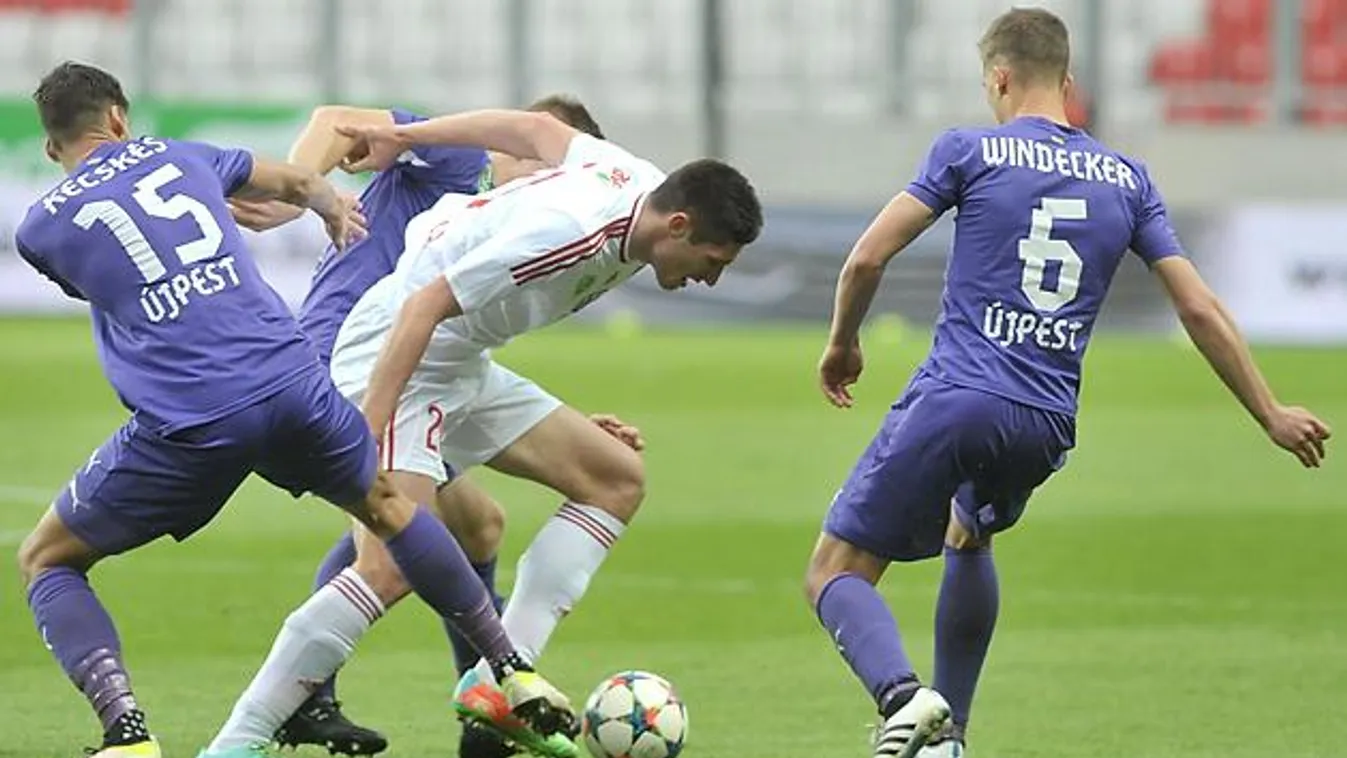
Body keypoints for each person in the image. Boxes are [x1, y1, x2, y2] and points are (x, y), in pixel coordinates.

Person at [805, 9, 1333, 758]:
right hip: (1045, 420)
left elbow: (866, 258)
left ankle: (903, 697)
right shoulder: (1128, 180)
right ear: (1068, 81)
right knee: (969, 531)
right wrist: (1269, 412)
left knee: (834, 571)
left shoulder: (968, 150)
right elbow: (1198, 307)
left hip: (959, 395)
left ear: (999, 78)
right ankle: (952, 738)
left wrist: (842, 343)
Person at [11, 61, 574, 758]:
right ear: (120, 118)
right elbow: (297, 183)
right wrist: (329, 205)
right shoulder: (183, 155)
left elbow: (108, 281)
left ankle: (127, 734)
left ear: (51, 147)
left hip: (196, 417)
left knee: (48, 559)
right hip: (293, 379)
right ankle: (511, 668)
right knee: (391, 508)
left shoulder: (40, 228)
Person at [199, 107, 761, 758]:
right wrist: (368, 431)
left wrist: (406, 135)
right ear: (678, 225)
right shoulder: (570, 233)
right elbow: (423, 307)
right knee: (388, 565)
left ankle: (500, 686)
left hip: (458, 359)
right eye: (712, 261)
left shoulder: (630, 179)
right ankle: (237, 740)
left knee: (614, 477)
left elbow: (535, 130)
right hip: (395, 353)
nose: (710, 278)